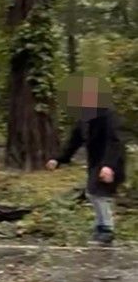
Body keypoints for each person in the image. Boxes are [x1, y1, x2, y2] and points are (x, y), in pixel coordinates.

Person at [47, 75, 125, 246]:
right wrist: (58, 159)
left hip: (110, 160)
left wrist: (108, 166)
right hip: (95, 162)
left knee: (98, 193)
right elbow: (74, 141)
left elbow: (115, 141)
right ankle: (100, 227)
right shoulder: (84, 117)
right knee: (93, 193)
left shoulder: (107, 114)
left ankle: (107, 230)